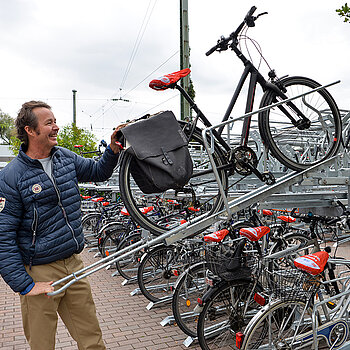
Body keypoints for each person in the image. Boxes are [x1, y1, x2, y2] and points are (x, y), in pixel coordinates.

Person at [0, 101, 123, 350]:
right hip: (40, 271)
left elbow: (98, 171)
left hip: (74, 265)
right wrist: (25, 285)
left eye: (55, 121)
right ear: (30, 131)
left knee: (92, 341)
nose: (56, 127)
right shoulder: (11, 176)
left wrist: (112, 149)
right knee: (43, 344)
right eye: (49, 123)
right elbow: (3, 236)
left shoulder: (64, 157)